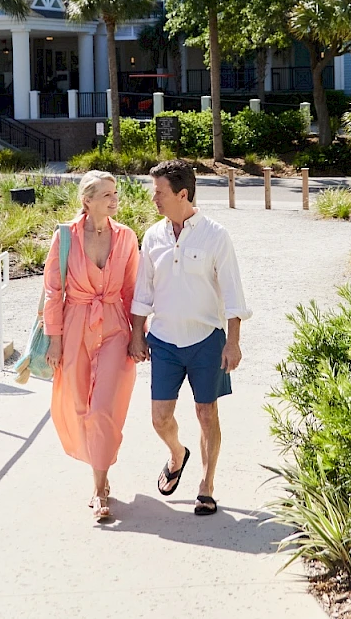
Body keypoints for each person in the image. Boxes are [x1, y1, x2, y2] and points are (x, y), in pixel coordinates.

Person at [130, 159, 251, 516]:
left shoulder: (215, 235)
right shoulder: (153, 236)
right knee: (159, 418)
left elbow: (233, 292)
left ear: (182, 194)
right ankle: (176, 454)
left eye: (159, 192)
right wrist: (137, 334)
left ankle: (206, 485)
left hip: (206, 340)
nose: (154, 198)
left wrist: (233, 341)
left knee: (206, 414)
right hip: (164, 341)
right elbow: (143, 292)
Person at [44, 170, 140, 523]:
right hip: (75, 326)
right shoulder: (65, 237)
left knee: (103, 407)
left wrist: (139, 334)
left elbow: (132, 290)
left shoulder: (126, 237)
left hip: (114, 324)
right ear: (87, 201)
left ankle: (99, 490)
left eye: (115, 193)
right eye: (106, 195)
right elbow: (53, 291)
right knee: (81, 405)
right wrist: (54, 341)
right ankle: (100, 471)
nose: (115, 200)